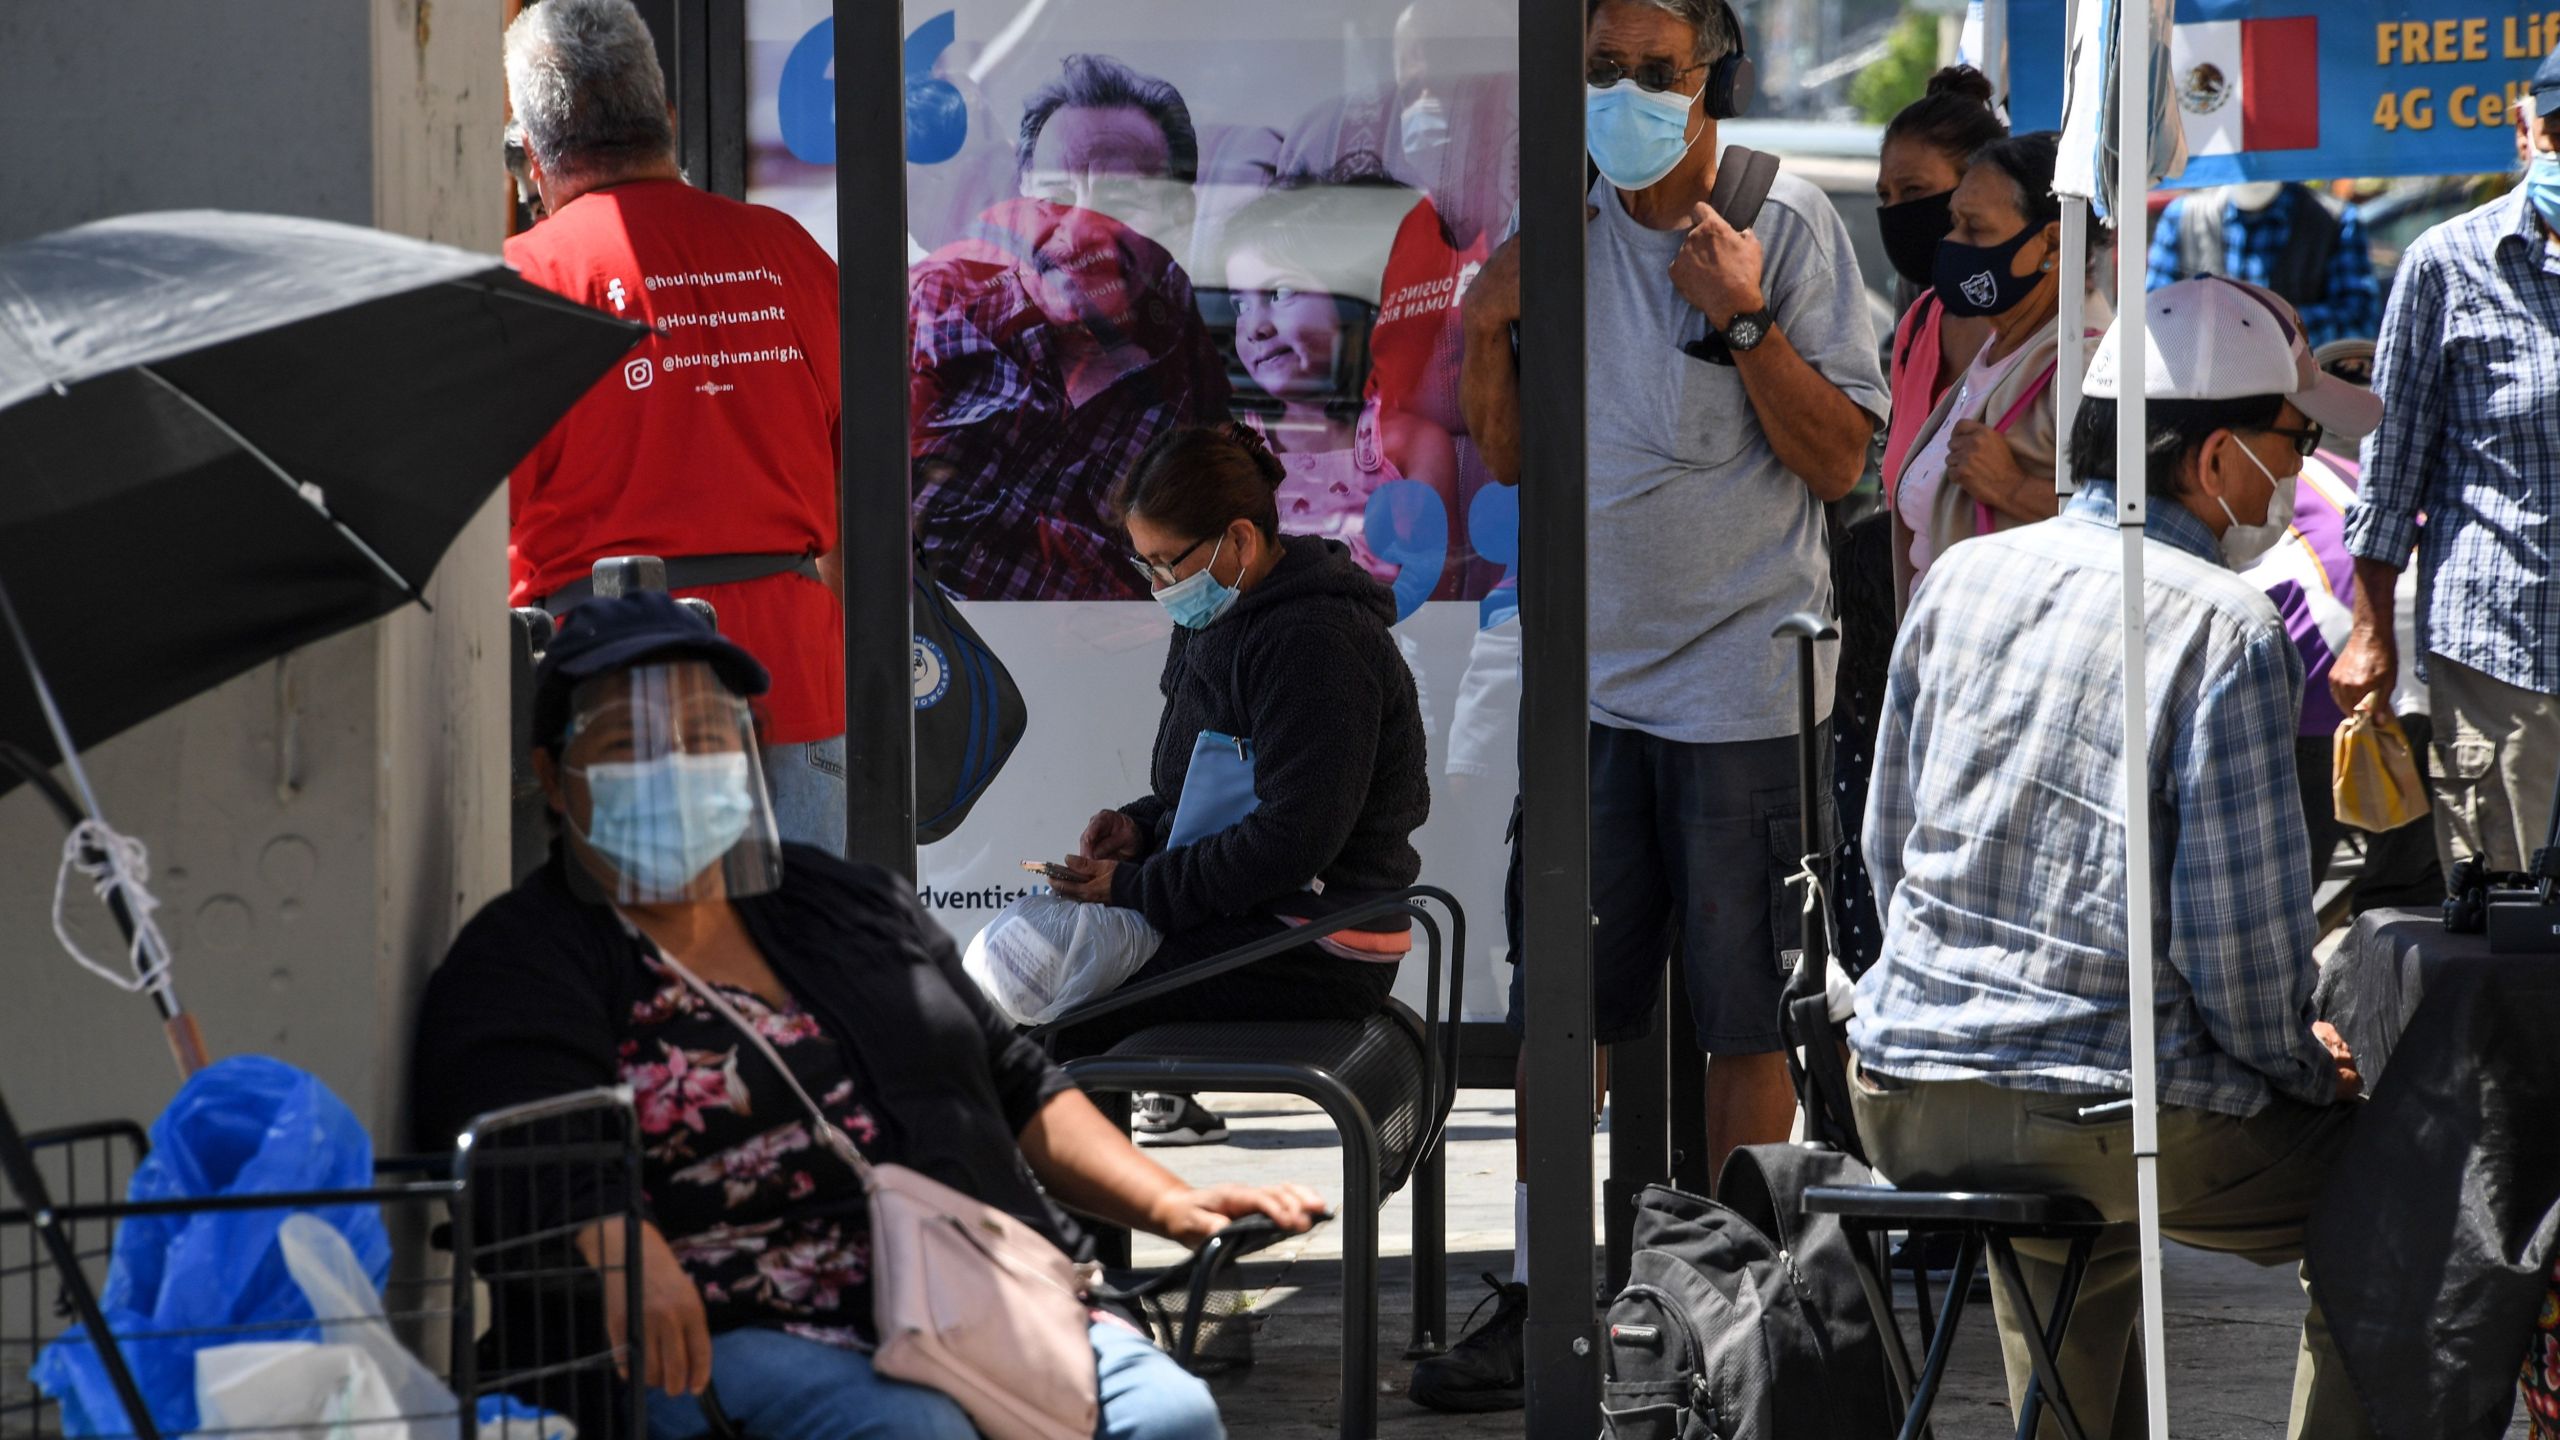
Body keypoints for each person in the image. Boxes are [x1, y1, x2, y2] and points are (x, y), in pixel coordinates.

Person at [412, 591, 1322, 1440]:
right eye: (628, 742)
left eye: (704, 735)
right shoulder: (524, 955)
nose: (675, 767)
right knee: (915, 1432)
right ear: (554, 775)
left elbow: (1013, 1079)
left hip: (956, 1287)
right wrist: (619, 1246)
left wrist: (1174, 1200)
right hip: (720, 1326)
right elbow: (519, 1150)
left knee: (1170, 1417)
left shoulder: (844, 904)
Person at [1410, 0, 1888, 1412]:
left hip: (1741, 685)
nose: (1620, 94)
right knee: (1568, 1008)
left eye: (1650, 72)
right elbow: (1508, 457)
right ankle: (1550, 1291)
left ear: (1711, 79)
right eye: (1599, 70)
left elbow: (1843, 457)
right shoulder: (1555, 228)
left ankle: (1736, 1309)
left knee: (1748, 1018)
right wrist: (1491, 328)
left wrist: (1739, 314)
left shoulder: (1782, 223)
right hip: (1587, 695)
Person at [1850, 278, 2382, 1440]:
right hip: (2102, 1116)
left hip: (1904, 1090)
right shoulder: (2222, 620)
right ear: (2209, 459)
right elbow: (2239, 958)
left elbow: (1887, 855)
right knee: (2400, 1193)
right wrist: (2306, 1064)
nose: (2298, 476)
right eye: (2290, 444)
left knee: (2068, 1215)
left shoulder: (1959, 580)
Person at [500, 0, 848, 854]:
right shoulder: (788, 252)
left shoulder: (522, 284)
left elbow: (482, 526)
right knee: (796, 972)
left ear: (532, 157)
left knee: (633, 981)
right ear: (669, 121)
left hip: (610, 703)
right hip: (799, 689)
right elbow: (872, 477)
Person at [1040, 423, 1430, 1146]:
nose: (1161, 587)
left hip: (1322, 942)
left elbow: (1293, 838)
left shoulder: (1316, 641)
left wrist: (1132, 889)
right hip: (1264, 913)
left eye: (1168, 564)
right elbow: (1208, 786)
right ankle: (1076, 1235)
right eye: (1145, 566)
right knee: (1040, 983)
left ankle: (1078, 1245)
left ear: (1241, 541)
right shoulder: (1215, 617)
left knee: (1067, 1016)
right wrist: (1142, 829)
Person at [2333, 46, 2560, 879]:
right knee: (2508, 918)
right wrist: (2368, 635)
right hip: (2501, 651)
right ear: (2525, 130)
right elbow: (2390, 471)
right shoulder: (2448, 262)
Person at [909, 54, 1231, 601]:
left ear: (1181, 216)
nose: (1081, 228)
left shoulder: (1197, 374)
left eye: (1121, 199)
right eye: (1055, 196)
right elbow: (884, 515)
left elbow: (1199, 575)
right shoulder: (941, 301)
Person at [2241, 336, 2441, 910]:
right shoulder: (2359, 473)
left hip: (2332, 657)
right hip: (2417, 655)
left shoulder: (2268, 466)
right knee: (2406, 889)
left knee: (2279, 890)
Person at [1888, 130, 2113, 606]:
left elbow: (2131, 528)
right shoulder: (2000, 350)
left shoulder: (2089, 366)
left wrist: (2012, 488)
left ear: (2051, 243)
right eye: (1954, 223)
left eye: (1976, 229)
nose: (1952, 242)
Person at [1218, 179, 1461, 585]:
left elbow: (1437, 597)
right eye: (1240, 305)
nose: (1254, 327)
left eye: (1280, 293)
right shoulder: (1234, 448)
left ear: (1353, 300)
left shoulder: (1409, 447)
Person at [1876, 66, 2009, 490]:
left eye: (1913, 191)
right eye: (1885, 195)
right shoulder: (1917, 321)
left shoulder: (2042, 330)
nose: (1897, 210)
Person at [2147, 181, 2382, 350]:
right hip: (2203, 404)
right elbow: (2153, 318)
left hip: (2294, 404)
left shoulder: (2335, 220)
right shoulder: (2183, 216)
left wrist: (2266, 325)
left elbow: (2359, 321)